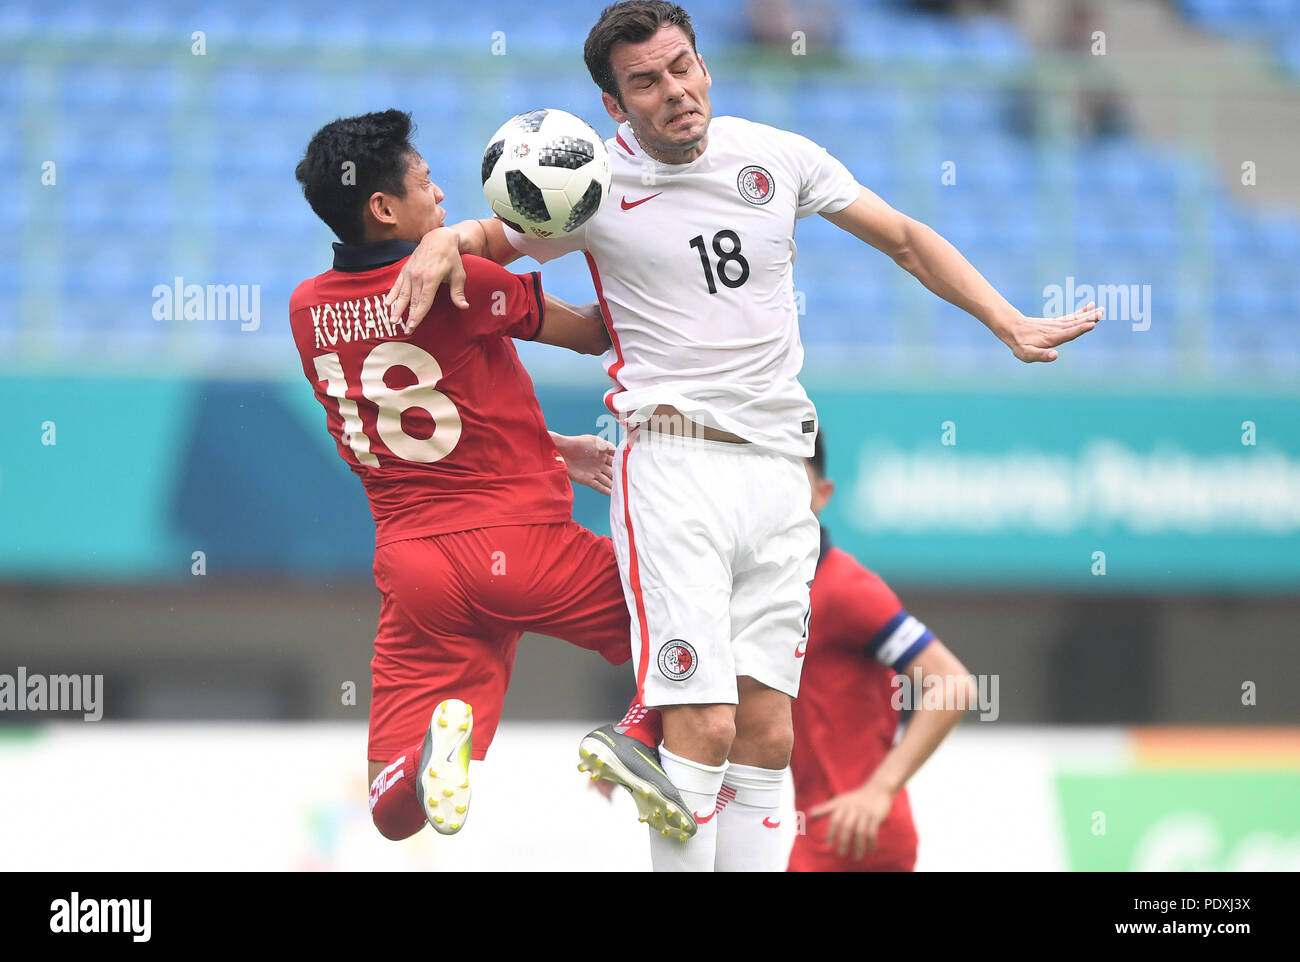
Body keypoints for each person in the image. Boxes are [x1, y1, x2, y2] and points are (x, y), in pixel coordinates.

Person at [384, 1, 1100, 872]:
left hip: (779, 472)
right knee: (704, 719)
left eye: (682, 66)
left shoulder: (778, 156)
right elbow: (492, 236)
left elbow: (907, 239)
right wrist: (444, 242)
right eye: (645, 82)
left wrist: (1004, 320)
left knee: (766, 731)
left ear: (704, 64)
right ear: (615, 106)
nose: (674, 91)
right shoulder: (589, 185)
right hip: (674, 466)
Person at [288, 109, 692, 842]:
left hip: (416, 569)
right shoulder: (464, 282)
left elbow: (426, 417)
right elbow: (596, 331)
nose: (442, 199)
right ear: (384, 208)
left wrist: (547, 447)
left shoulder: (306, 308)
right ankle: (635, 737)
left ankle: (420, 765)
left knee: (390, 810)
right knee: (683, 634)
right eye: (426, 183)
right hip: (522, 547)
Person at [790, 433, 973, 871]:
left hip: (853, 833)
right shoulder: (774, 588)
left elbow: (954, 685)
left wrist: (880, 789)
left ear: (822, 493)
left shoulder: (846, 587)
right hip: (819, 826)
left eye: (792, 481)